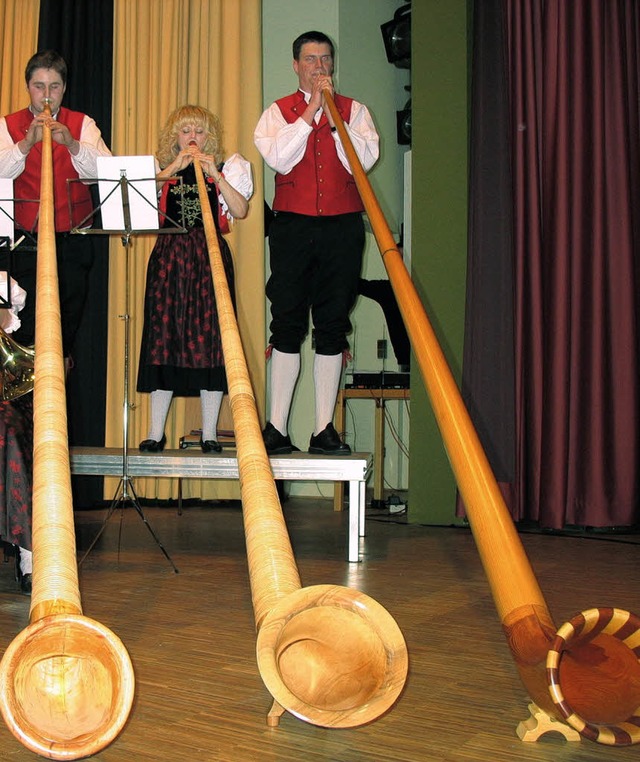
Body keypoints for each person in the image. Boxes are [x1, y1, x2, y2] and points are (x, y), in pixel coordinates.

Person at [254, 30, 379, 456]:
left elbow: (361, 161)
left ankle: (323, 428)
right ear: (296, 66)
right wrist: (310, 112)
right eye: (310, 60)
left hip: (342, 226)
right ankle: (276, 428)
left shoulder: (355, 111)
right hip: (291, 225)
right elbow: (279, 158)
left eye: (325, 59)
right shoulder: (277, 113)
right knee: (287, 319)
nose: (319, 67)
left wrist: (333, 117)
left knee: (332, 322)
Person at [137, 105, 253, 453]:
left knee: (212, 340)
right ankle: (156, 432)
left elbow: (242, 209)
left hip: (209, 257)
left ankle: (210, 432)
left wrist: (215, 174)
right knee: (163, 336)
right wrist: (174, 168)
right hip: (169, 259)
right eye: (185, 130)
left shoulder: (229, 166)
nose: (192, 136)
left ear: (209, 136)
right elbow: (139, 200)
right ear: (174, 136)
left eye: (199, 131)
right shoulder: (159, 170)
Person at [0, 49, 112, 361]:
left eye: (54, 87)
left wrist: (73, 145)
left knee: (64, 333)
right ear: (27, 87)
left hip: (72, 242)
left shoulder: (82, 124)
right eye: (39, 86)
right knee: (24, 331)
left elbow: (105, 172)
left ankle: (56, 403)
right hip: (23, 242)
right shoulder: (7, 125)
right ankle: (22, 406)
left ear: (64, 88)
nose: (46, 95)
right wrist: (25, 145)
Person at [0, 275, 33, 595]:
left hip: (4, 397)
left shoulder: (2, 283)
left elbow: (10, 324)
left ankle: (28, 557)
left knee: (11, 436)